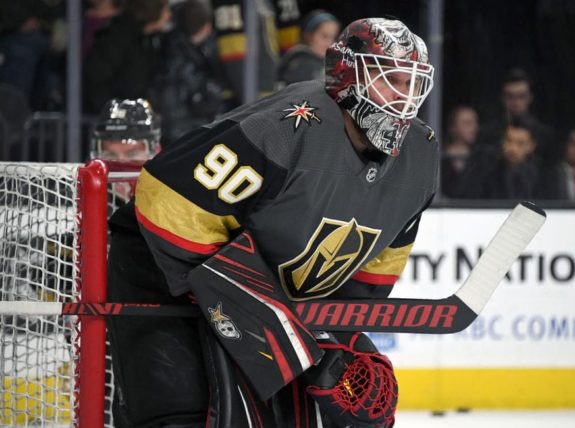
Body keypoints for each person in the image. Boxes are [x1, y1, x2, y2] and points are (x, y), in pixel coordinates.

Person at [107, 17, 437, 427]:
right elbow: (165, 199)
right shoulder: (284, 127)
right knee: (184, 414)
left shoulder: (420, 158)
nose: (404, 100)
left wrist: (341, 337)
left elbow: (368, 277)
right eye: (390, 80)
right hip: (160, 269)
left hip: (258, 289)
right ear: (348, 75)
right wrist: (276, 322)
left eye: (413, 84)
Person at [149, 0, 226, 146]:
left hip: (172, 132)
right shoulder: (185, 59)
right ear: (206, 27)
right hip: (185, 136)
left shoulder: (167, 47)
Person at [83, 0, 171, 114]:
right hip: (113, 120)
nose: (169, 16)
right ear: (153, 11)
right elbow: (96, 77)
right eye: (166, 10)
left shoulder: (151, 40)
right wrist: (117, 113)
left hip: (135, 118)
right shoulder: (117, 37)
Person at [90, 98, 161, 201]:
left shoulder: (172, 205)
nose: (120, 165)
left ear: (156, 151)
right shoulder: (83, 203)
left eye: (132, 154)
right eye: (111, 155)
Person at [276, 9, 340, 87]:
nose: (329, 43)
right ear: (309, 35)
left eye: (333, 38)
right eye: (324, 36)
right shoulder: (299, 63)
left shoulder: (327, 63)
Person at [440, 105, 479, 198]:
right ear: (452, 128)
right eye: (467, 123)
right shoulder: (439, 158)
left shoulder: (481, 160)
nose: (474, 128)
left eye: (475, 123)